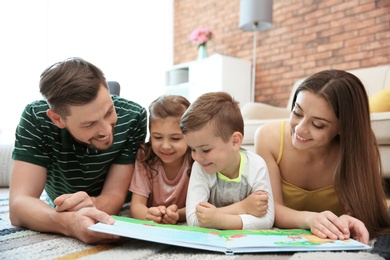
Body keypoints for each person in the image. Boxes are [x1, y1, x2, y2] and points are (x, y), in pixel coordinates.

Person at [9, 57, 147, 244]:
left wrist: (93, 205)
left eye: (109, 112)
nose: (107, 131)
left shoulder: (133, 116)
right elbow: (18, 205)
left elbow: (114, 195)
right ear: (57, 119)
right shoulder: (35, 118)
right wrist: (67, 223)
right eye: (89, 124)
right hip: (63, 207)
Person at [255, 69, 390, 245]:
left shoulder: (358, 146)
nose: (300, 129)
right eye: (297, 112)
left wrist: (348, 220)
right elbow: (271, 210)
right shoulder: (268, 137)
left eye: (318, 125)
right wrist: (310, 219)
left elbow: (362, 207)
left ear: (343, 128)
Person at [180, 91, 274, 230]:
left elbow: (267, 219)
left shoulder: (256, 165)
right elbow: (194, 218)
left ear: (235, 141)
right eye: (193, 149)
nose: (197, 157)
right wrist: (244, 207)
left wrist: (219, 219)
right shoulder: (200, 167)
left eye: (205, 150)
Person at [130, 95, 193, 224]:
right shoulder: (145, 157)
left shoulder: (195, 158)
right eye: (157, 137)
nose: (165, 146)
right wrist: (149, 215)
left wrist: (177, 215)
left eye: (175, 138)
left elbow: (200, 205)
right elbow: (136, 206)